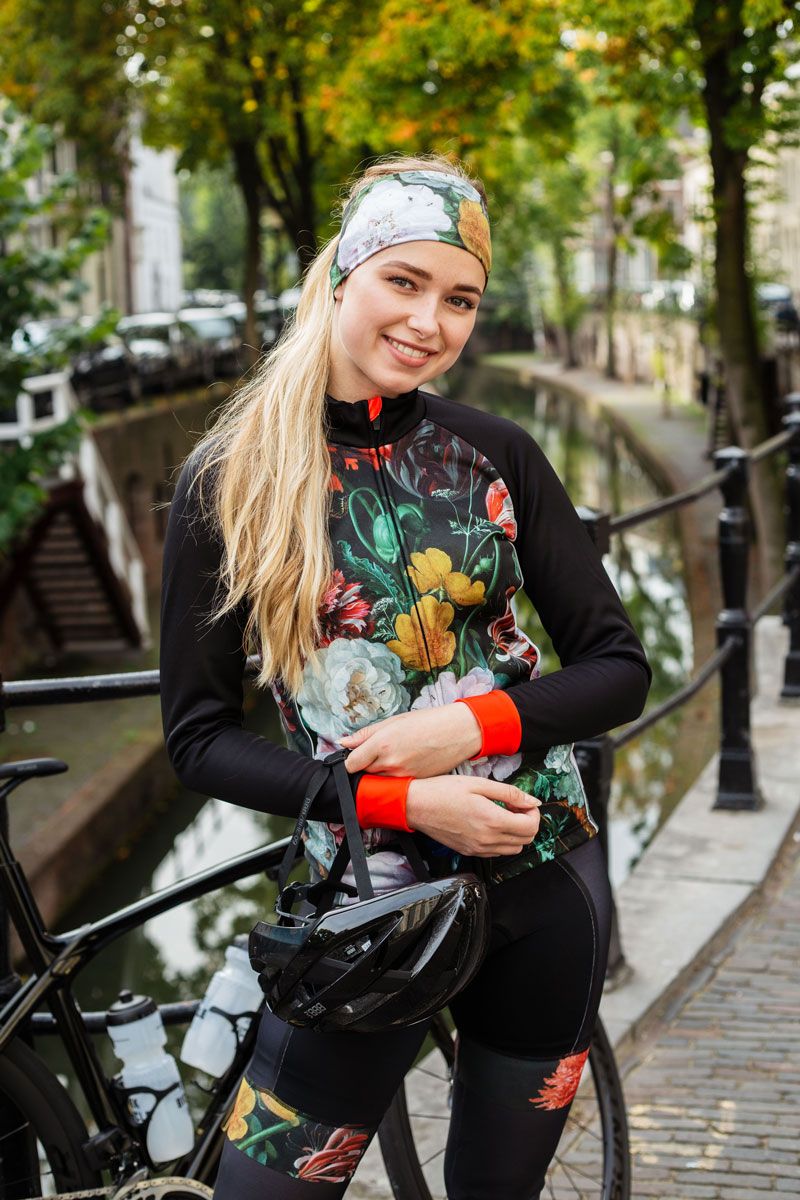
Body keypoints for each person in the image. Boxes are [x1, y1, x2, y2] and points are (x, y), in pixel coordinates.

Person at [160, 153, 651, 1199]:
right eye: (403, 282)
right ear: (343, 273)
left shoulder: (498, 453)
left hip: (542, 882)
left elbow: (617, 668)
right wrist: (402, 794)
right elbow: (197, 739)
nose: (430, 322)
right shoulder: (227, 478)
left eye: (459, 297)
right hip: (361, 910)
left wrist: (467, 727)